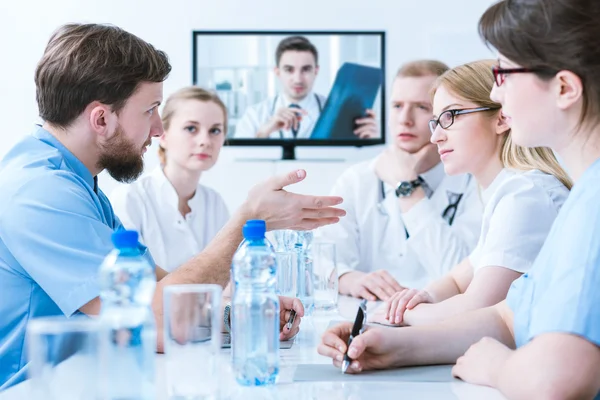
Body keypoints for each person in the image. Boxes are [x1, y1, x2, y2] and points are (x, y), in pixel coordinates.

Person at [0, 23, 346, 390]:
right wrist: (249, 219)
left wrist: (239, 314)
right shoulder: (40, 192)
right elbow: (152, 319)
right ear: (101, 118)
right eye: (150, 110)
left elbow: (153, 283)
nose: (158, 129)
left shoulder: (74, 180)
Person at [319, 0, 600, 398]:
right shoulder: (579, 200)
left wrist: (499, 367)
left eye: (503, 72)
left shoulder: (578, 203)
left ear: (565, 88)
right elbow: (506, 317)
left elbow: (559, 380)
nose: (494, 90)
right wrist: (392, 346)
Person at [371, 59, 570, 327]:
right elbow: (457, 278)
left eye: (450, 116)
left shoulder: (525, 195)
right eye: (436, 122)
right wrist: (422, 296)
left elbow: (477, 306)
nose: (435, 137)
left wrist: (397, 314)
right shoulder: (505, 191)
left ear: (501, 118)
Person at [318, 60, 483, 301]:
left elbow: (464, 277)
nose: (405, 119)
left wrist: (407, 186)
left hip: (440, 320)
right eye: (397, 106)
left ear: (444, 115)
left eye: (421, 107)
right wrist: (348, 278)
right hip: (368, 316)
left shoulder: (474, 183)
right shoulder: (357, 180)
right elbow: (321, 258)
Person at [110, 87, 229, 272]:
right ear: (163, 135)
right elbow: (129, 280)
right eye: (191, 128)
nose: (205, 141)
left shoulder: (215, 203)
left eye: (215, 130)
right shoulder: (130, 200)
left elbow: (228, 277)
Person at [234, 35, 378, 139]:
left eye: (306, 69)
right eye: (289, 70)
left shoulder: (338, 114)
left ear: (316, 71)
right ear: (277, 72)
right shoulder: (254, 115)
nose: (298, 79)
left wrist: (368, 143)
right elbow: (240, 163)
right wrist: (263, 134)